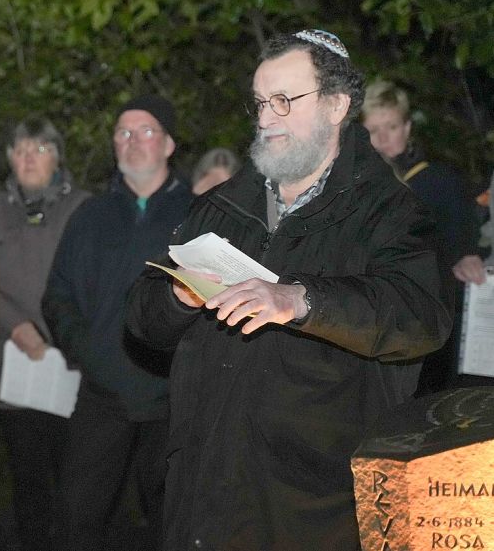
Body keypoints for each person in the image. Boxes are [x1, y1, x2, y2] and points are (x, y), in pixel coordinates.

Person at [126, 30, 450, 549]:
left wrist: (302, 300)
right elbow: (141, 318)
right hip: (204, 488)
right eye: (259, 102)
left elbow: (420, 318)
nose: (265, 118)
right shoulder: (222, 205)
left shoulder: (391, 213)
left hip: (313, 503)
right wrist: (178, 296)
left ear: (337, 104)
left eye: (283, 101)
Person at [42, 94, 191, 551]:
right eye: (123, 132)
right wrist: (90, 353)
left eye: (145, 131)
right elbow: (58, 296)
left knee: (176, 524)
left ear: (168, 144)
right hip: (103, 395)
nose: (132, 141)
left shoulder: (200, 214)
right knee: (77, 519)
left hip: (175, 400)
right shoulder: (89, 216)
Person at [0, 116, 90, 551]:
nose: (29, 158)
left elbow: (93, 280)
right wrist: (14, 325)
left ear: (57, 158)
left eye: (39, 149)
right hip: (14, 366)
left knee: (78, 480)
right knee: (29, 478)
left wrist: (67, 331)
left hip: (71, 362)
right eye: (20, 150)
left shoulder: (84, 209)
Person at [361, 80, 485, 393]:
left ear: (407, 127)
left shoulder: (440, 181)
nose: (383, 138)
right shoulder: (358, 187)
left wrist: (467, 256)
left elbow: (463, 240)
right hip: (376, 319)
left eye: (391, 126)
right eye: (373, 129)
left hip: (432, 327)